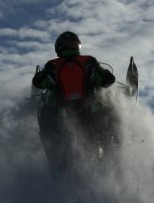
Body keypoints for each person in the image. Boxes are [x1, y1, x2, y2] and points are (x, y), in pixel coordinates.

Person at [32, 31, 116, 175]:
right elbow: (107, 80)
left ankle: (58, 168)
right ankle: (111, 160)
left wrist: (40, 76)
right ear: (78, 46)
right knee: (111, 108)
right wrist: (106, 74)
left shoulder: (53, 66)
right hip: (92, 115)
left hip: (61, 119)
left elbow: (39, 83)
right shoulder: (88, 62)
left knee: (45, 110)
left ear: (58, 48)